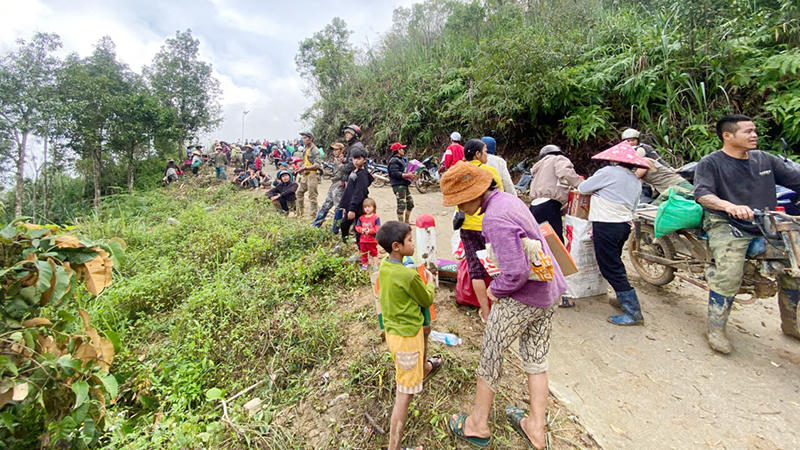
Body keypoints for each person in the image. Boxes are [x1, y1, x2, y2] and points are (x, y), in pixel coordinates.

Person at [441, 162, 566, 450]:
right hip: (547, 293)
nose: (459, 208)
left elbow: (515, 272)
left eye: (460, 200)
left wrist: (495, 293)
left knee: (491, 355)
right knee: (536, 359)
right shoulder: (509, 200)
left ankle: (477, 424)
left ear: (474, 193)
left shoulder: (493, 218)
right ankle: (535, 426)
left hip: (522, 298)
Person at [694, 114, 800, 353]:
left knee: (793, 270)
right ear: (728, 136)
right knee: (730, 272)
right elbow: (702, 193)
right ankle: (716, 329)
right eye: (748, 131)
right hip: (726, 223)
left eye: (755, 131)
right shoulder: (711, 162)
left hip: (766, 223)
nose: (754, 135)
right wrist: (728, 206)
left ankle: (791, 325)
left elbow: (796, 180)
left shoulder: (764, 159)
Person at [375, 221, 438, 450]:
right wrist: (429, 283)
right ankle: (395, 446)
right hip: (408, 339)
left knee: (407, 377)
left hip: (394, 334)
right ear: (396, 246)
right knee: (405, 394)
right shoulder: (409, 277)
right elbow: (426, 299)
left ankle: (425, 369)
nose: (413, 243)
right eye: (410, 240)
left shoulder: (385, 265)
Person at [578, 142, 648, 325]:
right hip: (623, 226)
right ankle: (622, 297)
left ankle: (633, 311)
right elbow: (633, 206)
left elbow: (583, 188)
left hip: (607, 224)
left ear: (614, 159)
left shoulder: (608, 172)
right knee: (615, 261)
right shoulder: (635, 180)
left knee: (609, 266)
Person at [461, 139, 504, 323]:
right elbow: (499, 197)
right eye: (485, 151)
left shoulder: (460, 172)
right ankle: (499, 309)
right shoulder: (489, 172)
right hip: (489, 227)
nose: (487, 155)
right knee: (497, 268)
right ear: (478, 154)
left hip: (467, 227)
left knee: (476, 270)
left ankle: (485, 312)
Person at [528, 145, 582, 241]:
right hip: (549, 204)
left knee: (539, 239)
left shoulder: (538, 166)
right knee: (556, 241)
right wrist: (581, 185)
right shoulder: (558, 159)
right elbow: (566, 173)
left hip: (534, 206)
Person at [338, 147, 373, 245]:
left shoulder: (362, 175)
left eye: (359, 159)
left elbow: (358, 193)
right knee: (345, 224)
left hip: (358, 205)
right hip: (351, 205)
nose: (356, 161)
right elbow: (350, 191)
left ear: (364, 160)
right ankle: (346, 243)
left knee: (358, 228)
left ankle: (361, 251)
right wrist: (346, 206)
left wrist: (352, 209)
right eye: (354, 159)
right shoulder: (355, 172)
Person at [312, 143, 347, 230]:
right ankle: (316, 225)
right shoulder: (336, 160)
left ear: (341, 150)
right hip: (334, 184)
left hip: (340, 185)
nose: (334, 151)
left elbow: (342, 173)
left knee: (338, 207)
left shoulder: (344, 160)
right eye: (334, 150)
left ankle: (335, 228)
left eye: (336, 150)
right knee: (326, 204)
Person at [294, 131, 322, 218]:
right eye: (302, 138)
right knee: (299, 192)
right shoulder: (305, 149)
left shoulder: (315, 150)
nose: (303, 140)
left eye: (305, 138)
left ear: (311, 139)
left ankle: (313, 215)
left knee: (312, 195)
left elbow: (317, 165)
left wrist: (305, 168)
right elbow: (304, 161)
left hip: (313, 175)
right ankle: (299, 213)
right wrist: (300, 167)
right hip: (305, 174)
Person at [387, 142, 417, 223]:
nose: (403, 150)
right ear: (398, 150)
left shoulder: (401, 160)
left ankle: (407, 221)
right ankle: (401, 224)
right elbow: (394, 173)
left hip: (404, 185)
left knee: (410, 203)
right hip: (398, 186)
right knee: (401, 206)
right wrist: (407, 175)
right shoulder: (394, 161)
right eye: (402, 149)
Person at [355, 198, 381, 270]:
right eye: (365, 207)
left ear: (373, 207)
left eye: (369, 207)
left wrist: (370, 231)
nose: (367, 209)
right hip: (363, 240)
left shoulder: (376, 218)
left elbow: (377, 228)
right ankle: (364, 265)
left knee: (374, 253)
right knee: (363, 253)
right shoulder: (361, 218)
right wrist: (361, 230)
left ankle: (375, 265)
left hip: (372, 240)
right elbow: (357, 227)